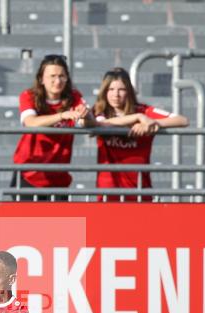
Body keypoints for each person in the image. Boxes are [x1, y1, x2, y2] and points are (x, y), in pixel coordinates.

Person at [92, 68, 189, 202]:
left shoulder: (143, 110)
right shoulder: (98, 111)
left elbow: (183, 120)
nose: (116, 94)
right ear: (104, 91)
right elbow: (101, 124)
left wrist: (151, 123)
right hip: (108, 190)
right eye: (111, 89)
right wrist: (137, 118)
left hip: (140, 190)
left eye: (121, 89)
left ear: (129, 91)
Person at [11, 54, 94, 201]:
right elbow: (30, 122)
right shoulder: (28, 96)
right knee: (25, 224)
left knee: (57, 224)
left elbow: (89, 124)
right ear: (41, 79)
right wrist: (62, 116)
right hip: (28, 175)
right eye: (52, 76)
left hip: (59, 178)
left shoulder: (74, 97)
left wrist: (86, 116)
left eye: (62, 76)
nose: (57, 81)